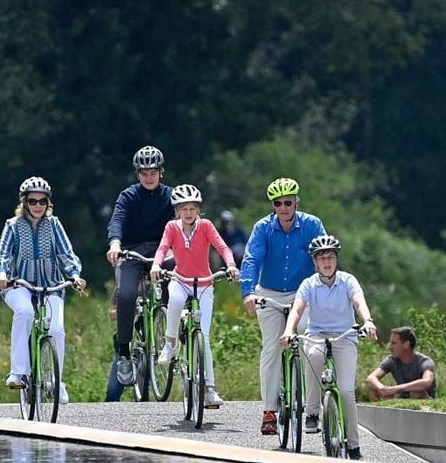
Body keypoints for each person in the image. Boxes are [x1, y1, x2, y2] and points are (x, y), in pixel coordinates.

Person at [239, 177, 326, 436]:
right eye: (278, 203)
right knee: (271, 347)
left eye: (288, 202)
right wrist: (247, 293)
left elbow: (323, 256)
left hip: (303, 294)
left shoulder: (312, 225)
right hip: (270, 294)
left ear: (296, 202)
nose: (284, 207)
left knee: (312, 346)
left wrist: (324, 291)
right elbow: (251, 260)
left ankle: (312, 410)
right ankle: (269, 411)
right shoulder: (263, 228)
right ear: (273, 205)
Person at [281, 235, 378, 460]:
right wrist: (288, 330)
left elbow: (358, 300)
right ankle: (313, 412)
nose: (327, 261)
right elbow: (297, 309)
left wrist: (368, 321)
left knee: (346, 391)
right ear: (315, 263)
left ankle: (353, 446)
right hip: (317, 335)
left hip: (345, 337)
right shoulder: (309, 284)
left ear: (337, 259)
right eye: (322, 258)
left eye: (331, 257)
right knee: (313, 357)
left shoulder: (347, 280)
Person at [0, 176, 86, 403]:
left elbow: (66, 253)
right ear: (24, 202)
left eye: (42, 201)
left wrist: (74, 275)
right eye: (32, 201)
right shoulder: (12, 226)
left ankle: (57, 382)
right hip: (19, 285)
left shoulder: (54, 224)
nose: (37, 206)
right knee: (24, 312)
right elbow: (2, 254)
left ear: (48, 203)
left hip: (51, 286)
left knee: (57, 330)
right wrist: (3, 274)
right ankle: (18, 373)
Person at [150, 184, 239, 409]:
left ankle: (209, 390)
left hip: (204, 284)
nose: (188, 213)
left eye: (192, 208)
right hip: (180, 280)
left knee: (204, 337)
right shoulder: (171, 227)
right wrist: (156, 265)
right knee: (176, 300)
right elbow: (162, 248)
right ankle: (170, 344)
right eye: (183, 208)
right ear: (177, 210)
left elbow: (223, 248)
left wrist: (230, 265)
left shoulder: (207, 226)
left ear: (198, 209)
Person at [106, 146, 174, 386]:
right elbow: (117, 221)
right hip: (131, 250)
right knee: (125, 295)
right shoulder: (128, 196)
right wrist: (115, 244)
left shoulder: (171, 196)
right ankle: (124, 351)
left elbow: (185, 220)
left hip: (162, 250)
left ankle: (175, 327)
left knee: (178, 278)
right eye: (144, 172)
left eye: (153, 172)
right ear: (138, 174)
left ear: (161, 172)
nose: (148, 177)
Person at [366, 327, 437, 400]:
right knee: (373, 387)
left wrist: (395, 389)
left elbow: (427, 381)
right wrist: (382, 388)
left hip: (425, 403)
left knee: (416, 392)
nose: (389, 347)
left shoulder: (424, 361)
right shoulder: (391, 360)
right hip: (400, 398)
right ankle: (380, 410)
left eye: (394, 343)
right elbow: (371, 378)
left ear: (406, 344)